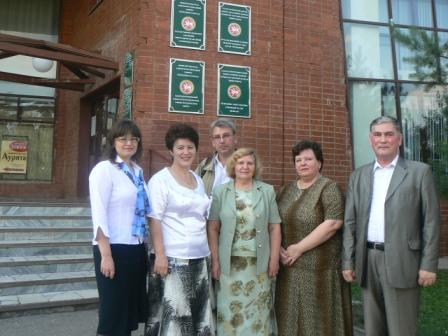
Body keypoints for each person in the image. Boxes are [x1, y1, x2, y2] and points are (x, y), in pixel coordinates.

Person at [342, 116, 441, 336]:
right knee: (372, 329)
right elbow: (350, 222)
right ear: (370, 140)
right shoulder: (358, 175)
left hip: (404, 259)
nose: (383, 139)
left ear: (400, 139)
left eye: (389, 134)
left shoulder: (419, 172)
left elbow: (431, 222)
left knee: (401, 329)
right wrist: (348, 260)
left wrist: (428, 264)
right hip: (368, 260)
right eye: (378, 135)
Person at [275, 140, 352, 336]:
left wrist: (299, 248)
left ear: (319, 162)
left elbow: (333, 223)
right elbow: (274, 222)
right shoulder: (286, 189)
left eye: (308, 159)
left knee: (320, 323)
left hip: (321, 270)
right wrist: (279, 250)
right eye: (298, 159)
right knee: (290, 319)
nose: (302, 163)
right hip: (290, 268)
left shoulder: (329, 188)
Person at [145, 123, 214, 335]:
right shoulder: (161, 180)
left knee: (197, 317)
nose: (186, 152)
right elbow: (154, 219)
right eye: (180, 147)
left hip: (200, 256)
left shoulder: (197, 179)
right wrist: (161, 255)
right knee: (176, 319)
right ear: (171, 151)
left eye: (190, 147)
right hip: (173, 259)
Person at [208, 147, 281, 335]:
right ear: (234, 165)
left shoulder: (267, 191)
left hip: (260, 265)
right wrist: (215, 260)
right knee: (230, 312)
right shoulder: (220, 192)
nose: (245, 167)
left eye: (250, 163)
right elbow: (213, 228)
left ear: (255, 167)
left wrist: (274, 259)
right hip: (228, 265)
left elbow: (274, 227)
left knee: (257, 313)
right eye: (241, 163)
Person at [89, 119, 151, 336]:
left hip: (135, 248)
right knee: (113, 314)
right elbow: (99, 214)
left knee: (127, 313)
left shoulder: (137, 170)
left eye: (134, 139)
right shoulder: (104, 169)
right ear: (113, 142)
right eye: (123, 138)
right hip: (112, 248)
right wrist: (106, 255)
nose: (129, 143)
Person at [196, 118, 237, 196]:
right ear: (213, 142)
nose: (222, 141)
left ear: (235, 138)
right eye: (217, 137)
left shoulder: (246, 164)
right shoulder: (205, 165)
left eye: (226, 135)